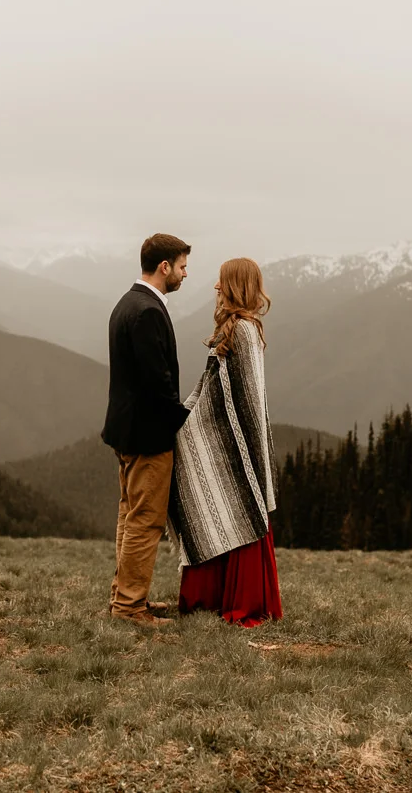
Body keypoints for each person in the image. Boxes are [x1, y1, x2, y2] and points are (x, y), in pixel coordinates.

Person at [170, 257, 283, 627]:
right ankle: (212, 596)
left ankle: (240, 600)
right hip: (229, 439)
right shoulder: (232, 330)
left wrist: (204, 428)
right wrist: (181, 421)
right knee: (212, 508)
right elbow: (209, 388)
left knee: (237, 509)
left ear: (234, 285)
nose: (216, 288)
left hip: (241, 445)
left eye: (221, 282)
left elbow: (246, 400)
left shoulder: (244, 332)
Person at [101, 233, 193, 627]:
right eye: (183, 266)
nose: (186, 274)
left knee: (129, 515)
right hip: (147, 435)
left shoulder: (127, 303)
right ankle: (129, 607)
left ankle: (124, 597)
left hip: (125, 431)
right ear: (164, 267)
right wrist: (180, 419)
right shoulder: (150, 311)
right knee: (145, 520)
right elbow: (158, 381)